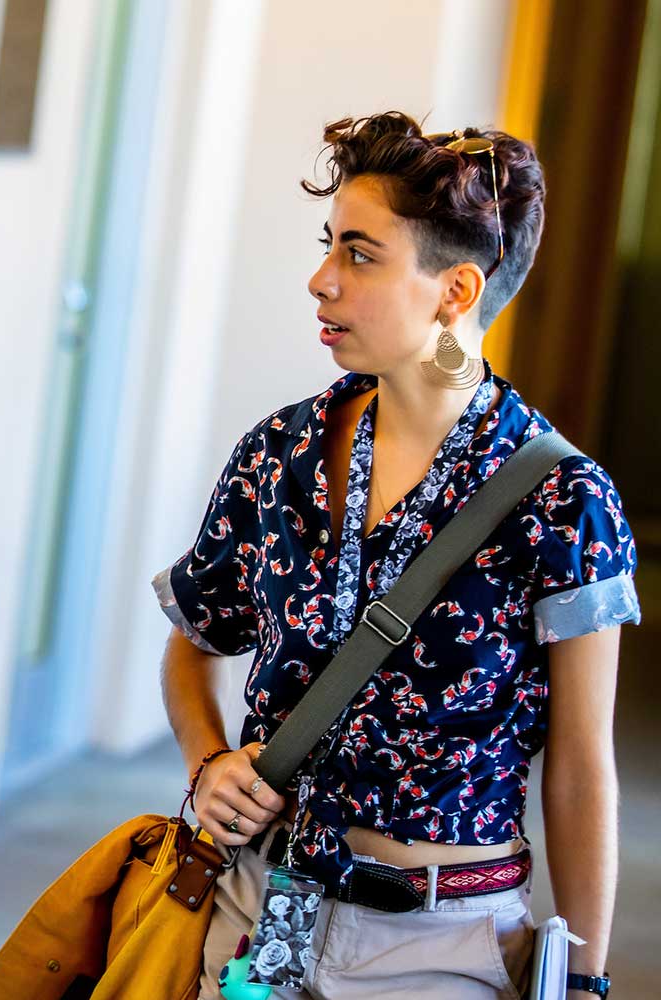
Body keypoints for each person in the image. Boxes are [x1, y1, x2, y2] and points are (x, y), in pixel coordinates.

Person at [156, 112, 639, 998]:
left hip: (442, 945)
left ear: (456, 292)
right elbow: (194, 640)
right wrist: (207, 761)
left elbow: (579, 766)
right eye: (327, 245)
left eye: (360, 254)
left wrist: (589, 980)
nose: (320, 280)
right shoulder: (281, 453)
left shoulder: (565, 501)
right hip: (256, 910)